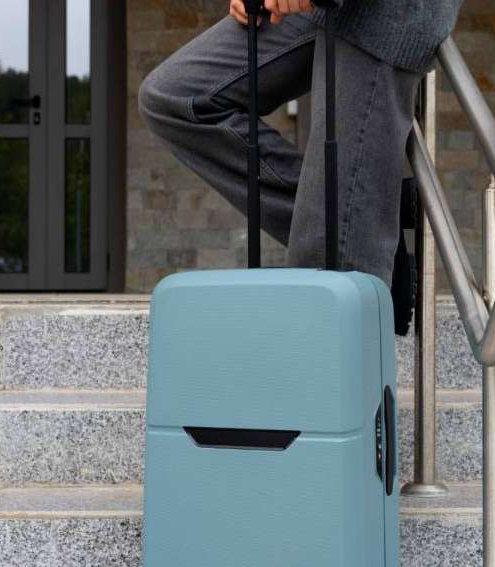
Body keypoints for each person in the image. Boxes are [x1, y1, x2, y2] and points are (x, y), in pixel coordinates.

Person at [140, 0, 463, 334]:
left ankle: (359, 223)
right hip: (323, 11)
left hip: (385, 15)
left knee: (323, 279)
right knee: (176, 97)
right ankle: (366, 219)